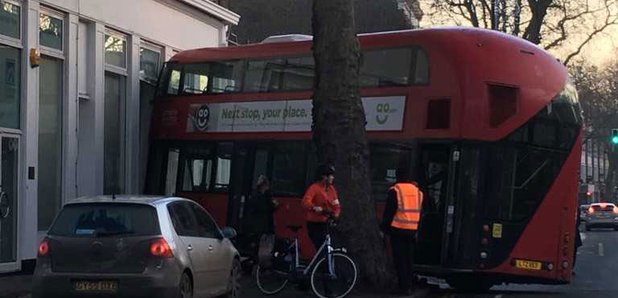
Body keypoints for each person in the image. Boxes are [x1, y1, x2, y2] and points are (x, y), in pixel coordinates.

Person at [381, 167, 424, 295]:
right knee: (408, 258)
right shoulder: (418, 192)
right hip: (412, 230)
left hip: (398, 229)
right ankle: (409, 285)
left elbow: (389, 212)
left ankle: (403, 287)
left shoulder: (396, 190)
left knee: (399, 259)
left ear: (397, 177)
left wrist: (384, 228)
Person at [302, 164, 341, 252]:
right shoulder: (314, 188)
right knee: (321, 249)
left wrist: (335, 215)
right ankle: (320, 264)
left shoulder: (331, 189)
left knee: (328, 248)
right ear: (324, 177)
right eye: (331, 175)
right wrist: (314, 207)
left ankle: (325, 264)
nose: (333, 178)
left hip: (325, 223)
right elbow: (305, 202)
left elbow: (336, 205)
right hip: (314, 224)